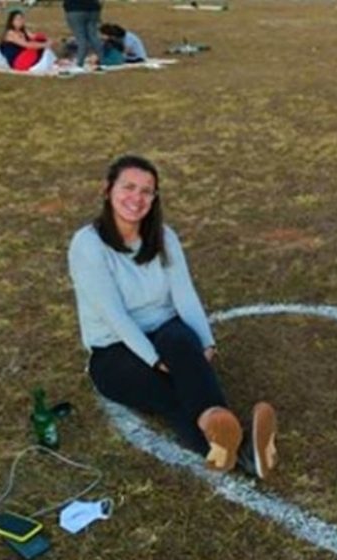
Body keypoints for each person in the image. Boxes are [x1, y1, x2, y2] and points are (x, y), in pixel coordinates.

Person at [68, 155, 278, 480]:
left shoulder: (164, 237)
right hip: (113, 352)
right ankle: (242, 450)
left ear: (154, 198)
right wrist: (154, 360)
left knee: (181, 341)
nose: (136, 198)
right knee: (173, 389)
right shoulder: (88, 245)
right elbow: (114, 317)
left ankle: (222, 437)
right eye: (128, 187)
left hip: (165, 333)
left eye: (146, 191)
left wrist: (205, 343)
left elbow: (185, 296)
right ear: (107, 189)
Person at [64, 0, 104, 68]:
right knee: (93, 36)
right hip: (93, 8)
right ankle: (102, 59)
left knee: (81, 38)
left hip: (75, 8)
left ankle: (80, 63)